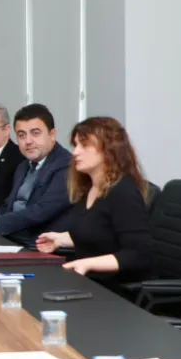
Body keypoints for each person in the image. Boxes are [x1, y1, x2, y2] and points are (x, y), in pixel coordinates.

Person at [36, 117, 165, 284]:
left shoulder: (123, 191)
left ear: (108, 150)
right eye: (75, 145)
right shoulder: (89, 189)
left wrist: (87, 264)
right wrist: (61, 240)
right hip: (92, 282)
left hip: (119, 289)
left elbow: (139, 255)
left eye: (84, 145)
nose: (75, 153)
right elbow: (100, 235)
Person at [0, 104, 73, 246]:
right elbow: (8, 207)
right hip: (13, 240)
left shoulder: (66, 166)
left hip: (40, 247)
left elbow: (41, 211)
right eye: (22, 135)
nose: (28, 141)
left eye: (35, 133)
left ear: (52, 135)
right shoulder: (24, 165)